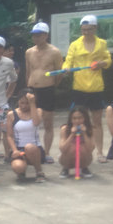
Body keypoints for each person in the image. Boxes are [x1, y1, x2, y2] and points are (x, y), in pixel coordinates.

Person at [63, 15, 111, 161]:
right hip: (79, 88)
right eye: (83, 30)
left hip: (96, 88)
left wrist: (101, 64)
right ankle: (74, 150)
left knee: (97, 122)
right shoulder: (75, 44)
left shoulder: (102, 43)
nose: (85, 32)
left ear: (95, 28)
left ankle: (100, 152)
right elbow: (68, 61)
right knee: (76, 122)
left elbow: (108, 60)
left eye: (89, 29)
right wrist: (66, 69)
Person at [25, 22, 63, 164]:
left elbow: (59, 73)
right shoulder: (29, 52)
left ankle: (47, 152)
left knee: (47, 122)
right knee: (29, 121)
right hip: (32, 89)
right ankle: (29, 151)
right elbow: (28, 71)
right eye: (34, 35)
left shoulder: (54, 52)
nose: (36, 38)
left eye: (39, 35)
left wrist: (52, 85)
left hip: (47, 89)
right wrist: (27, 88)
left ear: (46, 35)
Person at [7, 91, 45, 182]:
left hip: (35, 149)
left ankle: (39, 171)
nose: (24, 106)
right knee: (18, 167)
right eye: (21, 103)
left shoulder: (38, 111)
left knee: (29, 147)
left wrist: (32, 103)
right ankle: (21, 171)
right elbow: (9, 136)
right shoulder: (11, 114)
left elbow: (36, 123)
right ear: (18, 102)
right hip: (20, 149)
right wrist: (15, 150)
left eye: (27, 103)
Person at [58, 106, 95, 179]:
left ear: (85, 118)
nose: (77, 121)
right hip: (67, 157)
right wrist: (72, 134)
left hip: (84, 157)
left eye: (80, 118)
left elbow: (90, 149)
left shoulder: (90, 129)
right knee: (72, 148)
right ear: (71, 119)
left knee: (83, 148)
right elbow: (62, 149)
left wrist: (84, 133)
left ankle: (84, 167)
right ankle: (66, 168)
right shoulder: (65, 129)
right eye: (74, 118)